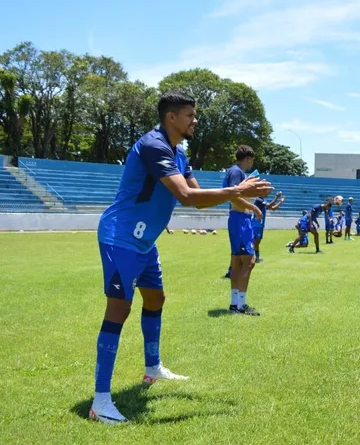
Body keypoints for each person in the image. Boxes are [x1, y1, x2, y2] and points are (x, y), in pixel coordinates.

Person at [92, 91, 271, 424]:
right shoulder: (153, 145)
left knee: (156, 299)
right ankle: (100, 400)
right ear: (171, 117)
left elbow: (199, 194)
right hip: (121, 236)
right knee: (119, 308)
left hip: (144, 241)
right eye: (190, 115)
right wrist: (238, 191)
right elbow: (186, 197)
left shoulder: (179, 152)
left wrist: (242, 203)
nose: (195, 120)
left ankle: (152, 368)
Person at [224, 145, 266, 316]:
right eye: (252, 160)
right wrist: (254, 209)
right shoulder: (237, 172)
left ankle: (235, 304)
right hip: (240, 220)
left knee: (237, 263)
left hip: (236, 219)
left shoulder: (232, 171)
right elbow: (235, 196)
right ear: (248, 158)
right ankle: (240, 305)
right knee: (248, 262)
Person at [253, 191, 285, 263]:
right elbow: (269, 205)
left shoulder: (263, 200)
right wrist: (276, 197)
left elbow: (273, 208)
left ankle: (256, 257)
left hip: (259, 224)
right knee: (255, 241)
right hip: (256, 224)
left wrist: (281, 202)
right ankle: (252, 257)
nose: (267, 193)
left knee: (256, 242)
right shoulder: (259, 200)